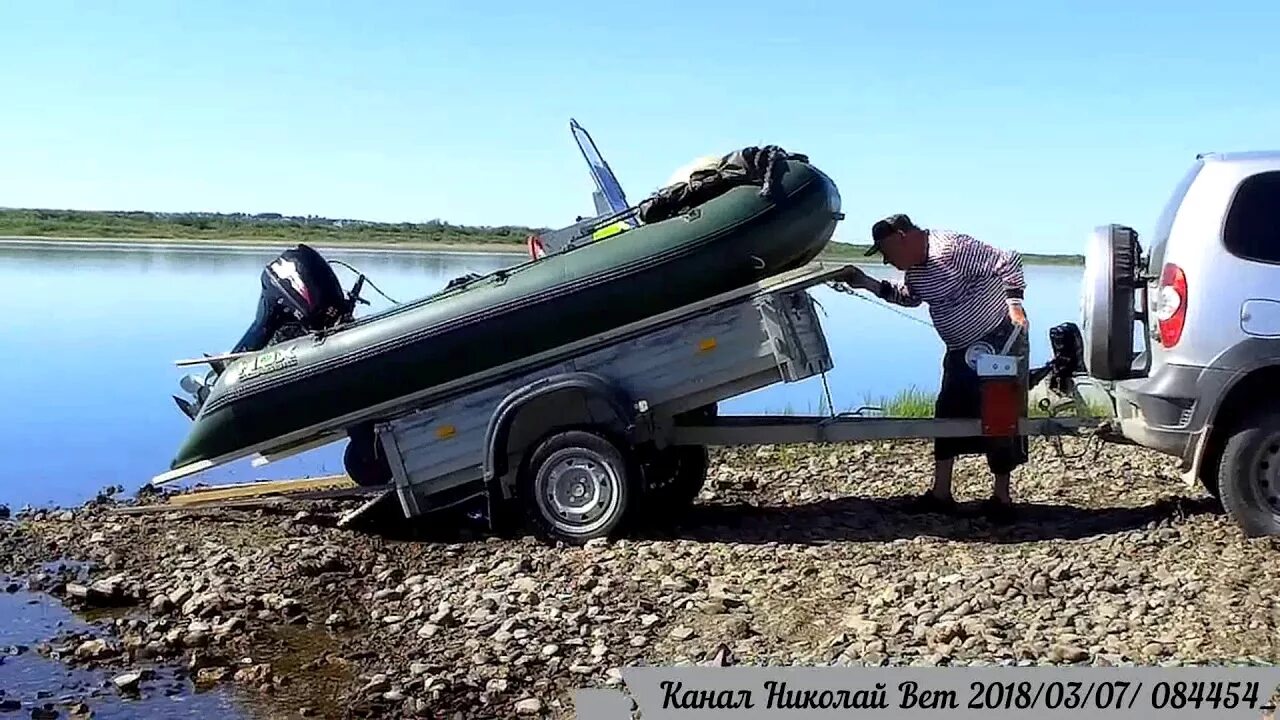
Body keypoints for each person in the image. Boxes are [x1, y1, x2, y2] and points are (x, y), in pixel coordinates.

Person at [837, 214, 1029, 523]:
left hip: (998, 338)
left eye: (887, 251)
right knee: (947, 412)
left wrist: (1015, 304)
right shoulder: (915, 272)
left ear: (903, 236)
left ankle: (1001, 498)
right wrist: (865, 283)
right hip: (958, 350)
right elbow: (910, 298)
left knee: (1000, 415)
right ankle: (941, 493)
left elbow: (1007, 260)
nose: (887, 260)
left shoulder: (950, 248)